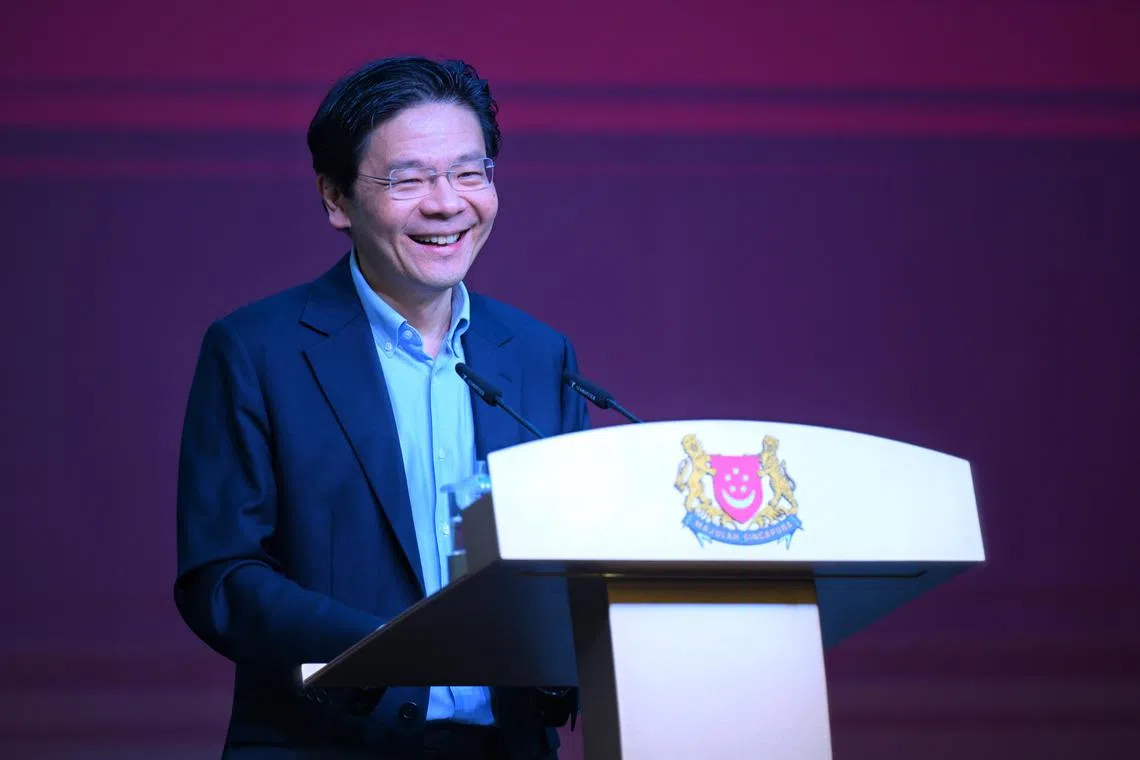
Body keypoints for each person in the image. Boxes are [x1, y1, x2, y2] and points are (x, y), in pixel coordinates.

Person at [174, 56, 588, 759]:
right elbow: (221, 577)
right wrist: (391, 654)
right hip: (327, 742)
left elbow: (575, 554)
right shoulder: (257, 350)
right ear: (337, 200)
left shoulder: (536, 355)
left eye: (469, 172)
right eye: (409, 179)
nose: (447, 202)